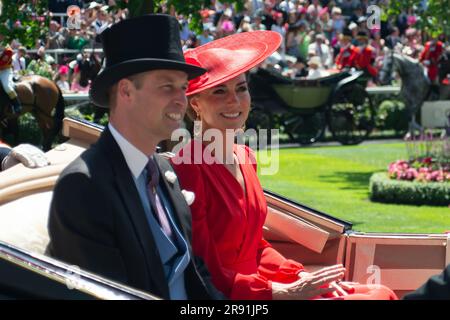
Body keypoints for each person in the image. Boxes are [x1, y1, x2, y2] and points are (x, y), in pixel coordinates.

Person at [170, 30, 398, 300]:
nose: (234, 100)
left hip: (264, 285)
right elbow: (204, 269)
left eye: (241, 88)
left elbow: (255, 247)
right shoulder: (189, 163)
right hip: (234, 296)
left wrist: (299, 275)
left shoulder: (245, 156)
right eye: (220, 91)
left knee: (379, 291)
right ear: (195, 103)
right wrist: (281, 291)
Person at [46, 14, 223, 300]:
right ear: (126, 91)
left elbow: (194, 272)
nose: (181, 100)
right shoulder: (83, 186)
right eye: (167, 87)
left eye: (183, 88)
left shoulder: (164, 170)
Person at [0, 42, 22, 114]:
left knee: (7, 86)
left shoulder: (8, 50)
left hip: (4, 70)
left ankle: (16, 104)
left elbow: (2, 63)